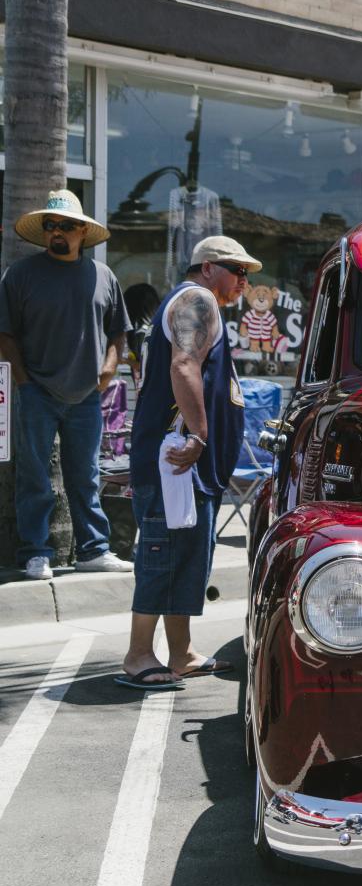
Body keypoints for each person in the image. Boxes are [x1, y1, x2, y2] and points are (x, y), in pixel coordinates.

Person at [118, 235, 259, 690]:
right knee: (162, 554)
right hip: (176, 462)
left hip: (187, 466)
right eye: (236, 270)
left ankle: (181, 654)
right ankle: (139, 654)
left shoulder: (199, 302)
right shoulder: (197, 299)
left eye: (246, 273)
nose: (243, 280)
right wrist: (199, 435)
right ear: (206, 267)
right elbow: (183, 366)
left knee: (185, 558)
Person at [0, 189, 133, 580]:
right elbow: (5, 335)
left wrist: (109, 371)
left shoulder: (103, 275)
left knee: (86, 476)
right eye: (51, 225)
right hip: (36, 392)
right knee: (35, 477)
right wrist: (24, 384)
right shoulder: (21, 275)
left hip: (87, 397)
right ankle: (36, 552)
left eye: (66, 226)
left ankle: (93, 550)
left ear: (82, 232)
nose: (57, 232)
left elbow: (118, 333)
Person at [123, 282, 162, 388]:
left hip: (150, 391)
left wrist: (122, 360)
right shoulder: (157, 328)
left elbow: (146, 367)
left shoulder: (143, 333)